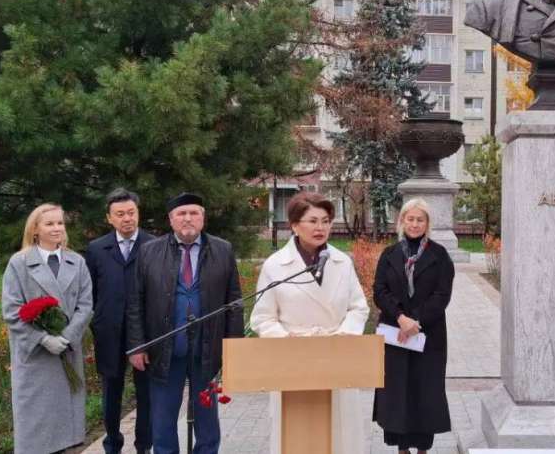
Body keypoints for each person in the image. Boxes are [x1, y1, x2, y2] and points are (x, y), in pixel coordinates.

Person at [250, 191, 370, 454]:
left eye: (326, 221)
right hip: (294, 360)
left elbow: (358, 307)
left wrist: (344, 334)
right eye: (313, 221)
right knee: (296, 435)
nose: (320, 228)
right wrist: (285, 339)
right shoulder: (275, 266)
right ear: (294, 225)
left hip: (336, 355)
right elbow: (262, 317)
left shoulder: (342, 262)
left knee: (340, 434)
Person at [126, 192, 244, 454]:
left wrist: (234, 348)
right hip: (164, 349)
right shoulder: (149, 251)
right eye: (181, 214)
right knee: (163, 416)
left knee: (207, 416)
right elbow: (135, 302)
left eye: (194, 213)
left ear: (203, 217)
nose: (188, 218)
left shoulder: (222, 249)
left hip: (207, 347)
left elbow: (234, 301)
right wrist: (137, 346)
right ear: (171, 219)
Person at [2, 203, 93, 454]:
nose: (57, 228)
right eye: (49, 223)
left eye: (60, 223)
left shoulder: (77, 262)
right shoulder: (19, 263)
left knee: (66, 434)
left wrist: (66, 336)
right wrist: (43, 339)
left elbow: (85, 306)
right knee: (36, 435)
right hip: (36, 358)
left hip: (67, 352)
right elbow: (11, 311)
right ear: (35, 229)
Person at [372, 199, 454, 454]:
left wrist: (416, 320)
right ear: (402, 221)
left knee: (424, 392)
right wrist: (400, 318)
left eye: (420, 220)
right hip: (395, 334)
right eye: (410, 219)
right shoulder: (389, 254)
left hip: (427, 335)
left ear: (427, 224)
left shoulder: (439, 255)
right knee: (396, 393)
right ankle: (401, 448)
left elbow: (442, 295)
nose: (415, 224)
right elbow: (379, 291)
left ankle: (422, 449)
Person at [85, 188, 153, 454]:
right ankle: (112, 444)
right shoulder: (96, 249)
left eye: (131, 212)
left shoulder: (153, 245)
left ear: (138, 213)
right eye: (120, 214)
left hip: (146, 333)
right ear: (109, 218)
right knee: (111, 392)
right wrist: (98, 323)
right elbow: (90, 292)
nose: (127, 219)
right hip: (109, 332)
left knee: (146, 393)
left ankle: (144, 446)